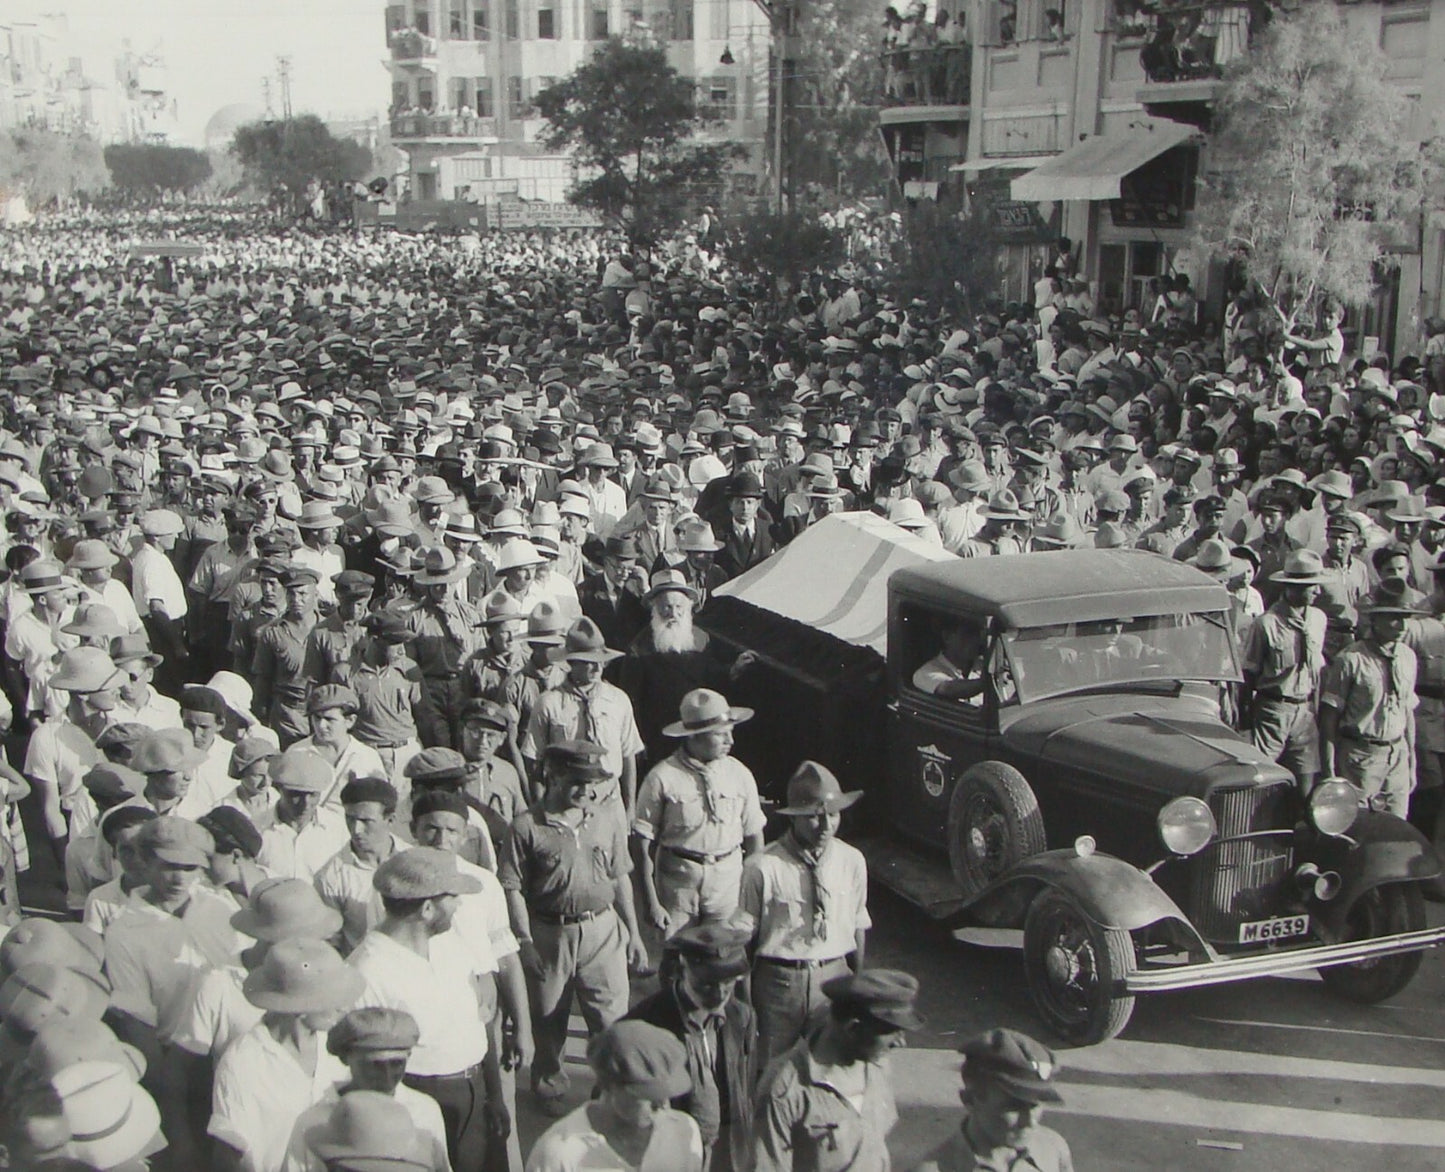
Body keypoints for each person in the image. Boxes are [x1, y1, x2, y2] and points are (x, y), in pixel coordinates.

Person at [498, 740, 647, 1115]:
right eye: (577, 781)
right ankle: (549, 1086)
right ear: (553, 776)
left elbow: (620, 876)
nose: (587, 790)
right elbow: (512, 888)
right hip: (549, 933)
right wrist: (525, 942)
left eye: (593, 782)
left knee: (611, 1018)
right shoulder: (526, 826)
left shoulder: (606, 819)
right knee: (548, 1019)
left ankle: (609, 1090)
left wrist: (634, 933)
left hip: (603, 931)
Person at [349, 846, 508, 1170]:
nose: (459, 905)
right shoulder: (367, 970)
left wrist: (494, 1095)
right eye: (453, 897)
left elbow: (481, 1020)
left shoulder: (453, 945)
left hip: (474, 1095)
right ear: (426, 909)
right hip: (415, 1104)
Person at [734, 761, 871, 1068]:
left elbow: (858, 924)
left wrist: (858, 984)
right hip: (779, 983)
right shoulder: (763, 866)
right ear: (793, 817)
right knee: (771, 1068)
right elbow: (744, 942)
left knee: (832, 1066)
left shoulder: (852, 860)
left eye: (832, 815)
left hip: (834, 976)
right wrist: (745, 1002)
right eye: (813, 817)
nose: (825, 826)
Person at [208, 938, 363, 1172]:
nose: (344, 1007)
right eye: (333, 1000)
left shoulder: (340, 1048)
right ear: (300, 1007)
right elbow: (230, 1159)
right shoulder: (243, 1063)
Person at [751, 969, 922, 1172]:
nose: (901, 1043)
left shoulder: (878, 1065)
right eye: (893, 1032)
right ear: (853, 1028)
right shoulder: (783, 1090)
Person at [632, 689, 766, 939]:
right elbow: (641, 845)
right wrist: (651, 901)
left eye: (731, 732)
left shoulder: (739, 774)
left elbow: (754, 836)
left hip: (728, 882)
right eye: (720, 734)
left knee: (726, 952)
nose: (730, 741)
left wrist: (753, 893)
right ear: (694, 736)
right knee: (677, 952)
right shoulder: (662, 777)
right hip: (678, 884)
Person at [623, 924, 757, 1172]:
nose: (719, 993)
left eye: (727, 983)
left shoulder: (741, 1017)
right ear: (681, 971)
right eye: (706, 984)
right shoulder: (644, 1024)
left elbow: (744, 1089)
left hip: (726, 1152)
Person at [282, 1008, 451, 1172]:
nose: (387, 1075)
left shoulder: (424, 1111)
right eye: (375, 1064)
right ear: (345, 1057)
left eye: (397, 1064)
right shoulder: (314, 1122)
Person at [524, 1019, 704, 1172]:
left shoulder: (683, 1131)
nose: (662, 1105)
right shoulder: (560, 1153)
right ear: (608, 1086)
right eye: (648, 1096)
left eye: (666, 1094)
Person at [1319, 581, 1422, 817]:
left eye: (1405, 617)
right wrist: (1329, 771)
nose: (1402, 625)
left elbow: (1407, 712)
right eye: (1394, 618)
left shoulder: (1407, 657)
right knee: (1360, 826)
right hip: (1360, 758)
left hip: (1397, 757)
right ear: (1374, 619)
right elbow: (1329, 719)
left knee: (1396, 827)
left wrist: (1411, 761)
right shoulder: (1351, 659)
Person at [908, 1028, 1074, 1172]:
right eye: (1014, 1106)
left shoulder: (1052, 1148)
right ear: (969, 1100)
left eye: (1035, 1105)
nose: (1029, 1122)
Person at [1241, 549, 1328, 792]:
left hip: (1305, 712)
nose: (1318, 592)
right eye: (1312, 587)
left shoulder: (1318, 619)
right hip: (1272, 711)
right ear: (1293, 588)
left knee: (1306, 788)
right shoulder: (1266, 624)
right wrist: (1246, 725)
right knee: (1259, 783)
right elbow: (1247, 677)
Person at [912, 621, 987, 702]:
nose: (975, 640)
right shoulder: (925, 672)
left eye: (977, 635)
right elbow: (947, 689)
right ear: (947, 637)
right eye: (968, 634)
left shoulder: (984, 666)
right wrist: (984, 683)